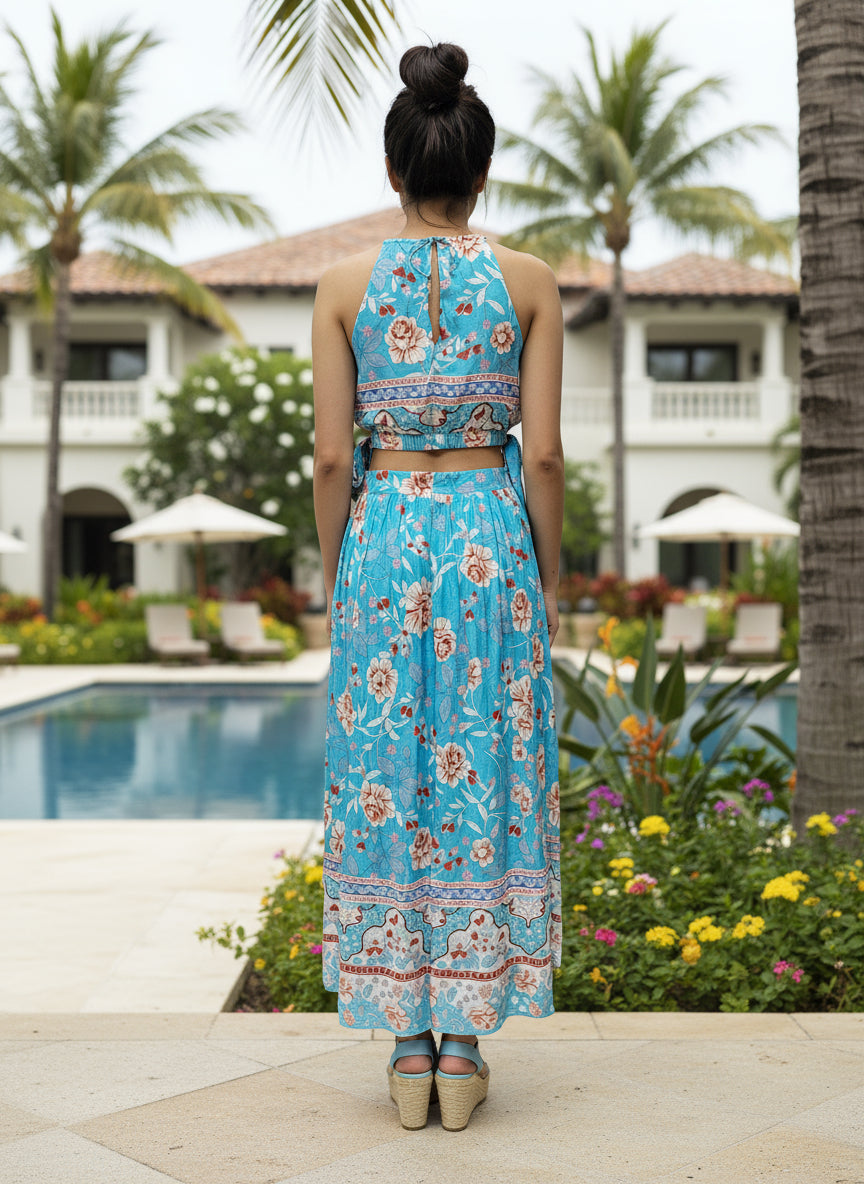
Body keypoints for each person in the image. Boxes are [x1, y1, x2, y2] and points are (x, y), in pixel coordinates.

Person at [311, 41, 564, 1133]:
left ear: (391, 165)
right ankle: (464, 1048)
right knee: (484, 762)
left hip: (385, 540)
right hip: (487, 540)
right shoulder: (531, 282)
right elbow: (544, 455)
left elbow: (330, 457)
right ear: (482, 170)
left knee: (393, 767)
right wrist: (542, 576)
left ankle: (406, 1047)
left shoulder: (339, 285)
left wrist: (341, 570)